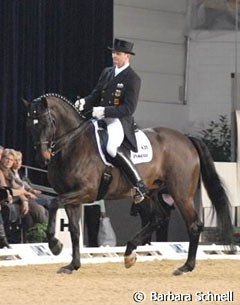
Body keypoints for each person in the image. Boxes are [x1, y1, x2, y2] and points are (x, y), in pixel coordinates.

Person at [75, 38, 148, 204]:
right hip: (99, 117)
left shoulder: (133, 78)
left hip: (118, 121)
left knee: (111, 147)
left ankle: (138, 184)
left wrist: (105, 110)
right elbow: (96, 94)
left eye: (118, 53)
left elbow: (129, 108)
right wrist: (85, 102)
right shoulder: (107, 72)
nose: (114, 56)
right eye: (113, 53)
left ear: (127, 56)